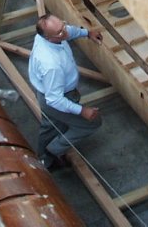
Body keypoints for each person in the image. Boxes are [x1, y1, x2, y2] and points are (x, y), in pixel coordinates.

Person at [29, 13, 103, 170]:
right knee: (92, 123)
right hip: (56, 98)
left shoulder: (50, 35)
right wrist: (81, 110)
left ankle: (43, 157)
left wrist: (87, 33)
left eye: (63, 26)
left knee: (51, 125)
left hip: (50, 91)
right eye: (60, 32)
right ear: (48, 38)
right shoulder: (51, 64)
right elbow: (54, 100)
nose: (65, 32)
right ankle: (53, 151)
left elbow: (68, 30)